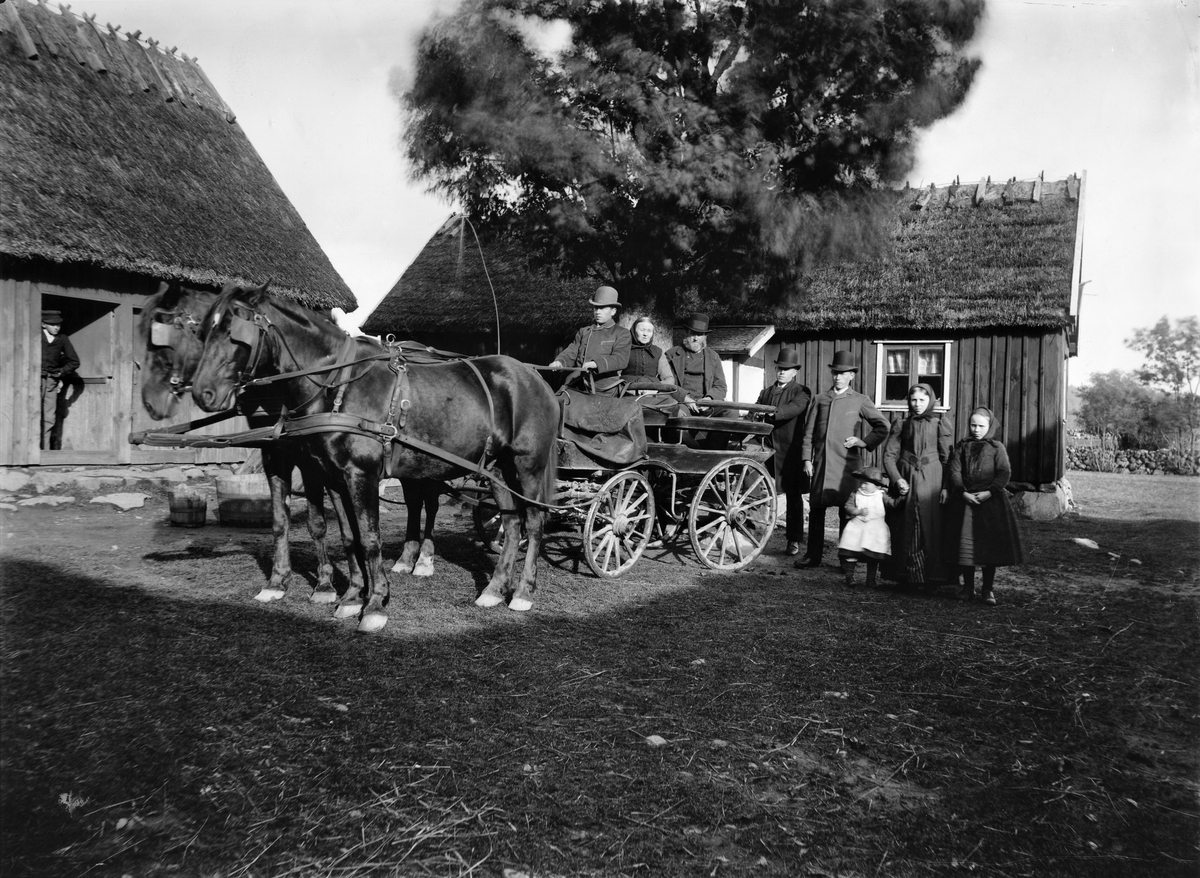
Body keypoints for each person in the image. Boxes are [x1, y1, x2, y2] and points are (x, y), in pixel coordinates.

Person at [796, 350, 890, 568]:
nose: (838, 377)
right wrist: (806, 459)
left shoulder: (860, 400)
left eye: (843, 373)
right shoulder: (820, 399)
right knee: (817, 509)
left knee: (846, 511)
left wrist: (864, 442)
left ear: (851, 376)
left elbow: (882, 426)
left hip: (847, 465)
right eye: (835, 373)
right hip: (821, 463)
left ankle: (845, 558)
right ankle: (813, 555)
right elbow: (808, 432)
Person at [943, 407, 1025, 605]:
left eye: (981, 426)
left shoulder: (997, 448)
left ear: (989, 427)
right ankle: (968, 588)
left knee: (989, 547)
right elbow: (954, 471)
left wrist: (990, 492)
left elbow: (1004, 473)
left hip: (990, 503)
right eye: (973, 425)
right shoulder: (962, 446)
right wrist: (962, 492)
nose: (976, 429)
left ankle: (987, 590)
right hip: (966, 502)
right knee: (967, 546)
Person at [882, 383, 954, 587]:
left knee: (929, 525)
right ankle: (905, 575)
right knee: (906, 524)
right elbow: (889, 456)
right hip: (906, 477)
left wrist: (946, 487)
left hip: (932, 480)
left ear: (931, 400)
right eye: (913, 400)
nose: (917, 404)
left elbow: (948, 458)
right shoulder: (901, 424)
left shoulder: (940, 424)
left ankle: (930, 576)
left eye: (922, 400)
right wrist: (897, 479)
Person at [755, 349, 812, 555]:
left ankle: (794, 539)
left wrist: (768, 413)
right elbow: (755, 410)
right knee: (762, 491)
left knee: (793, 496)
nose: (781, 372)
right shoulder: (766, 392)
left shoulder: (801, 391)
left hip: (791, 451)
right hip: (768, 447)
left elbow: (793, 409)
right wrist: (754, 413)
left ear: (794, 372)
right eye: (779, 368)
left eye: (786, 369)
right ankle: (757, 531)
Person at [548, 285, 631, 396]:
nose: (598, 312)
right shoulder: (584, 331)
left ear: (613, 311)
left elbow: (620, 359)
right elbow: (572, 352)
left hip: (604, 388)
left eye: (602, 308)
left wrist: (596, 364)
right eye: (596, 308)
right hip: (577, 384)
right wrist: (560, 361)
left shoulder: (621, 333)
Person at [837, 467, 899, 587]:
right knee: (852, 552)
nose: (862, 486)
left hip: (875, 529)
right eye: (861, 483)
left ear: (877, 486)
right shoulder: (856, 494)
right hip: (857, 527)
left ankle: (870, 579)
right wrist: (857, 511)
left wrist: (902, 498)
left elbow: (893, 504)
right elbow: (848, 506)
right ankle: (849, 576)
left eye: (866, 483)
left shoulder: (881, 495)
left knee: (872, 555)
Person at [40, 309, 79, 450]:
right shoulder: (35, 336)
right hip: (33, 380)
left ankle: (44, 451)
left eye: (59, 325)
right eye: (53, 324)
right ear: (43, 324)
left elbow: (74, 362)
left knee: (49, 417)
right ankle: (30, 451)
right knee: (32, 414)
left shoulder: (62, 339)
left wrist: (61, 372)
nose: (57, 327)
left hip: (51, 382)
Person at [624, 316, 674, 388]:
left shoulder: (658, 351)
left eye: (649, 331)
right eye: (642, 330)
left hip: (653, 391)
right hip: (628, 390)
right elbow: (615, 377)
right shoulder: (624, 349)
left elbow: (669, 378)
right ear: (634, 331)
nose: (645, 334)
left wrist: (655, 388)